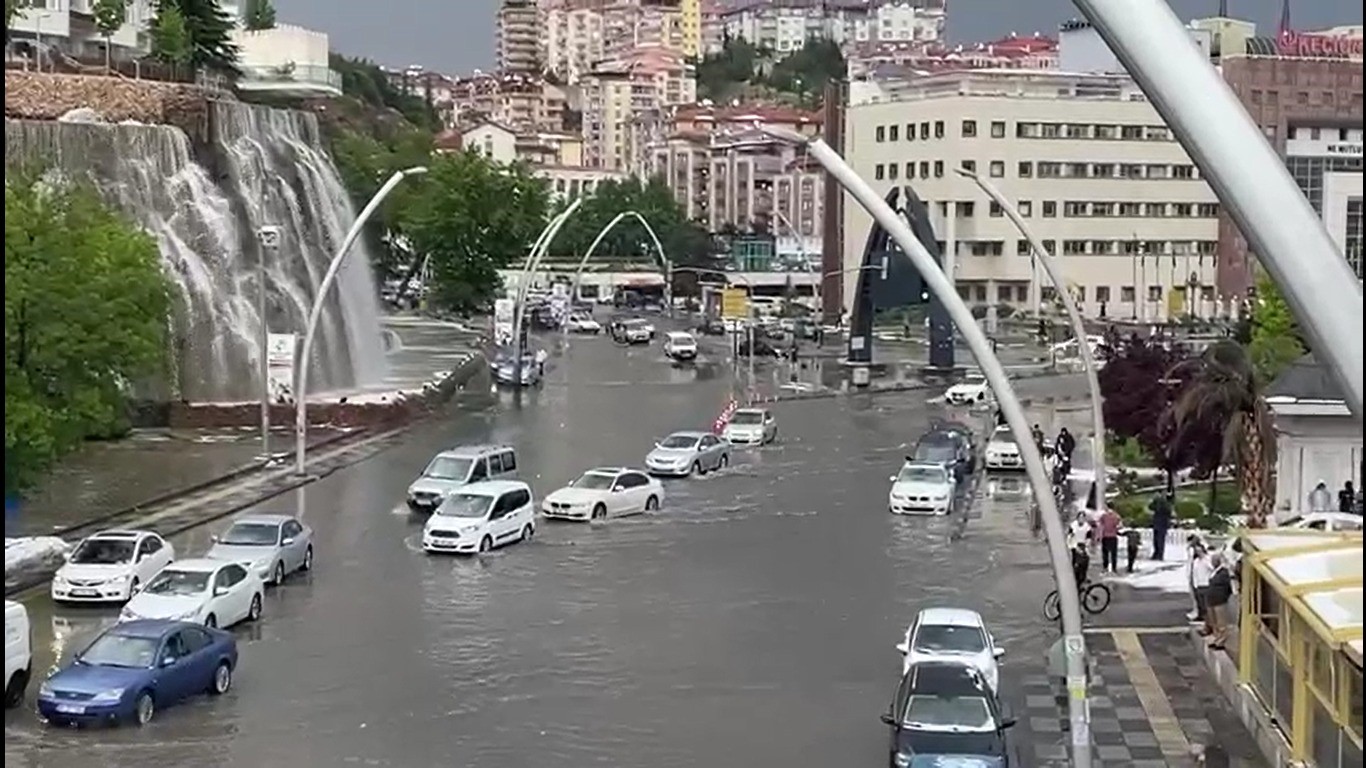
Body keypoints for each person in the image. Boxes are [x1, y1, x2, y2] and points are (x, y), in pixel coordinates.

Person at [1205, 553, 1234, 650]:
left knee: (1221, 622)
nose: (1213, 562)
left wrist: (1224, 596)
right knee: (1214, 622)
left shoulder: (1224, 573)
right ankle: (1217, 638)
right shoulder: (1214, 572)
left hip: (1220, 600)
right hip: (1211, 600)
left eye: (1214, 560)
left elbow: (1229, 587)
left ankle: (1222, 641)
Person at [1189, 537, 1213, 624]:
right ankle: (1206, 623)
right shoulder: (1196, 561)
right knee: (1202, 607)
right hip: (1198, 585)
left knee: (1208, 608)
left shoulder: (1207, 559)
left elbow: (1212, 568)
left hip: (1206, 585)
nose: (1197, 550)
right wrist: (1194, 585)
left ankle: (1210, 624)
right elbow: (1194, 573)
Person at [1149, 491, 1174, 560]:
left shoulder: (1166, 503)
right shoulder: (1157, 502)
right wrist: (1156, 501)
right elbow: (1150, 507)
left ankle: (1160, 554)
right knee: (1156, 540)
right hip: (1157, 523)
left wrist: (1159, 502)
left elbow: (1168, 512)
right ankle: (1156, 553)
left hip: (1162, 523)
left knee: (1160, 540)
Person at [1098, 505, 1122, 573]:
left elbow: (1100, 525)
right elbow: (1120, 525)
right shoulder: (1116, 516)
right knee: (1114, 553)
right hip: (1113, 536)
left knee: (1105, 553)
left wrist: (1099, 536)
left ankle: (1105, 567)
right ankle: (1114, 568)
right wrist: (1116, 529)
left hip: (1105, 536)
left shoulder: (1104, 516)